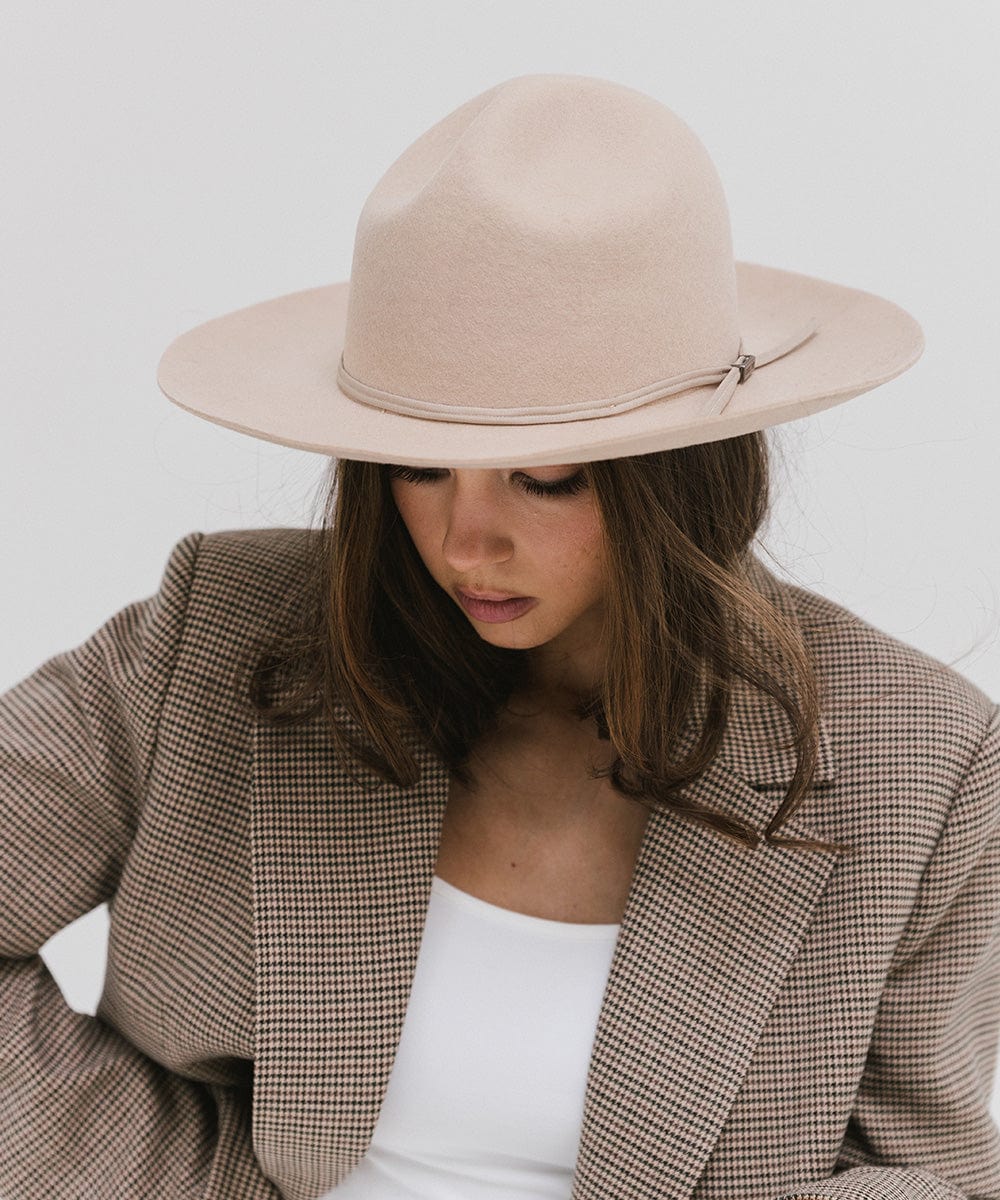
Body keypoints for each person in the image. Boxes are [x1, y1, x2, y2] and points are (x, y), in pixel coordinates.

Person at [1, 72, 997, 1200]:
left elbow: (931, 1177)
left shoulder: (922, 766)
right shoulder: (217, 638)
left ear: (680, 479)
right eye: (419, 469)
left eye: (545, 480)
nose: (466, 543)